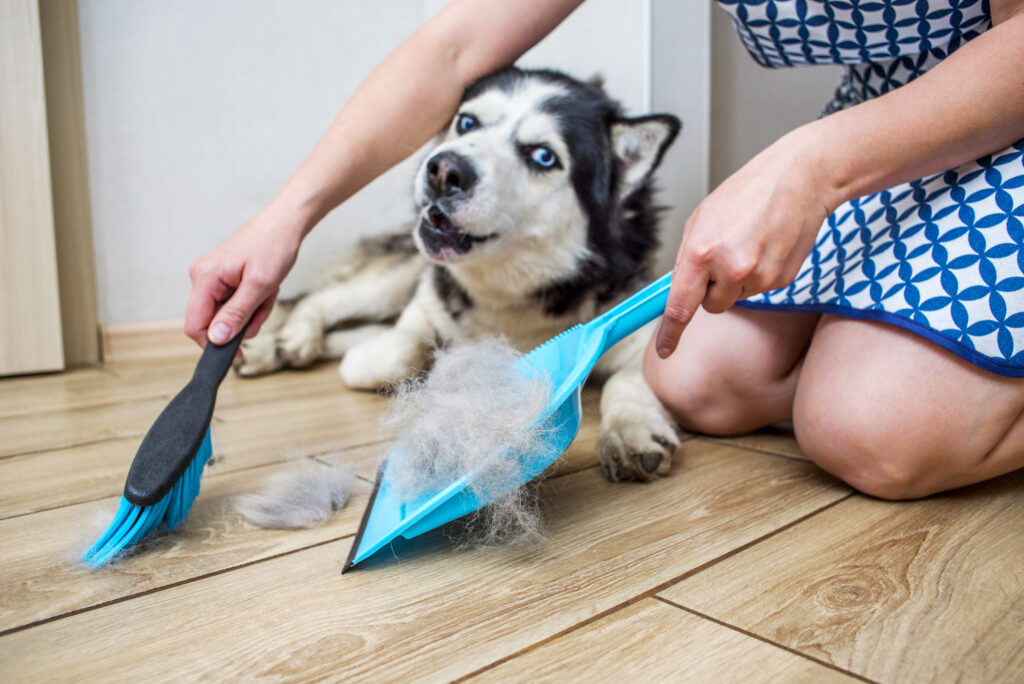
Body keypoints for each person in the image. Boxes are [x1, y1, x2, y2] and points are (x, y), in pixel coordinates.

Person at [185, 0, 1024, 500]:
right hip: (886, 119)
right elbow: (451, 50)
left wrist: (814, 163)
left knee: (873, 431)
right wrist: (286, 215)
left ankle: (918, 385)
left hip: (994, 115)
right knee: (699, 381)